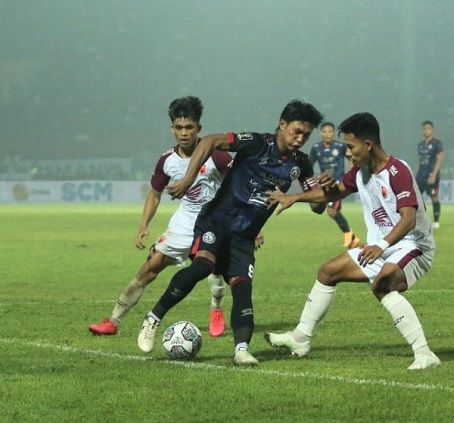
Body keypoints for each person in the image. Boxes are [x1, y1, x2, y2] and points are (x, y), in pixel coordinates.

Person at [136, 99, 326, 366]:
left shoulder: (301, 163)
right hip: (217, 220)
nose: (300, 139)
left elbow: (320, 205)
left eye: (306, 135)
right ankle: (152, 319)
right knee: (203, 265)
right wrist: (189, 177)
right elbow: (210, 142)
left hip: (244, 236)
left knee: (242, 289)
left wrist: (297, 196)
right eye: (296, 131)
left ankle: (241, 350)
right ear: (282, 124)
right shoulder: (257, 143)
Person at [265, 112, 440, 370]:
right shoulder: (361, 172)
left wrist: (380, 246)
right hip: (380, 248)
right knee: (328, 271)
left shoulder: (397, 171)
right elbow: (333, 193)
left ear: (367, 145)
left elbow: (408, 219)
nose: (347, 153)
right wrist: (296, 197)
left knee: (382, 284)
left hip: (413, 246)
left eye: (350, 146)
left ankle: (425, 354)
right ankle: (300, 338)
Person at [88, 96, 234, 338]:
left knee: (213, 270)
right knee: (150, 266)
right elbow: (154, 194)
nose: (184, 133)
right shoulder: (167, 160)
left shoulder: (216, 156)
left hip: (215, 221)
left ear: (199, 128)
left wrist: (249, 225)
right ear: (172, 129)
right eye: (179, 127)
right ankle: (113, 321)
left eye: (189, 127)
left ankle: (216, 309)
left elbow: (238, 187)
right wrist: (144, 224)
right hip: (184, 222)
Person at [309, 121, 360, 248]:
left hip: (338, 183)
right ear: (321, 133)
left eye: (330, 131)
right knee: (332, 211)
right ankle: (352, 238)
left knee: (331, 211)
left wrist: (350, 173)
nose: (327, 134)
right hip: (325, 184)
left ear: (333, 133)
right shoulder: (316, 148)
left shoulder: (340, 146)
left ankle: (349, 235)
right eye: (325, 132)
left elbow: (351, 157)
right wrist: (313, 181)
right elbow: (309, 165)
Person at [416, 120, 444, 229]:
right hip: (420, 175)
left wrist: (434, 175)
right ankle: (421, 220)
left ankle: (436, 221)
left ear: (432, 130)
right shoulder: (420, 145)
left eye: (428, 128)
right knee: (416, 198)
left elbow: (439, 159)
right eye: (424, 129)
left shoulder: (437, 144)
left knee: (434, 197)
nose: (426, 130)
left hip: (432, 175)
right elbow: (420, 161)